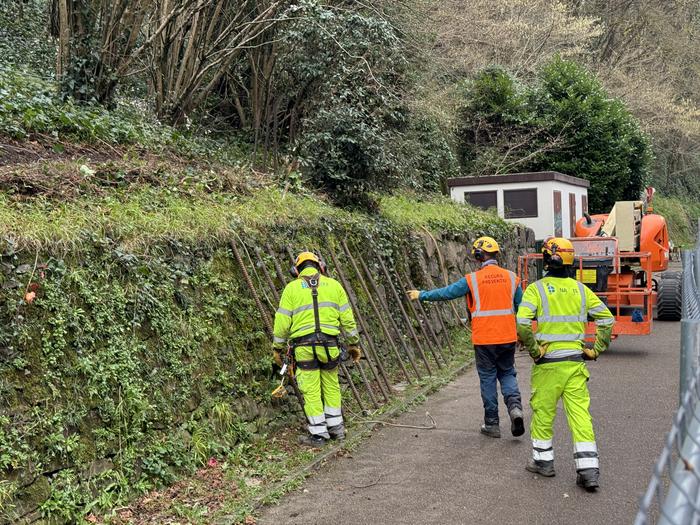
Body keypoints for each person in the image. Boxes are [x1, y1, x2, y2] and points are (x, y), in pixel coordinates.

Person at [516, 237, 614, 491]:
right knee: (580, 416)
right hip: (575, 364)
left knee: (543, 413)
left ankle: (543, 462)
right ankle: (589, 471)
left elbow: (523, 323)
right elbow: (607, 319)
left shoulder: (536, 289)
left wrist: (535, 350)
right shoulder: (581, 290)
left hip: (547, 364)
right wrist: (595, 350)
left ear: (547, 259)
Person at [408, 236, 525, 438]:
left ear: (479, 255)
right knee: (507, 374)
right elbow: (523, 309)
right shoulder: (512, 278)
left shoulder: (472, 280)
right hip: (507, 337)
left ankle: (492, 424)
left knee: (488, 378)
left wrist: (422, 295)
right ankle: (515, 407)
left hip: (484, 340)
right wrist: (523, 334)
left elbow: (447, 293)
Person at [272, 251, 361, 446]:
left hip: (303, 347)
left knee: (311, 390)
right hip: (330, 347)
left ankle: (319, 434)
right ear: (321, 266)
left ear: (296, 270)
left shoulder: (291, 289)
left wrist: (277, 348)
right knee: (331, 385)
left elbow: (282, 322)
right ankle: (337, 429)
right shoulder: (334, 286)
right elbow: (347, 319)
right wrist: (354, 343)